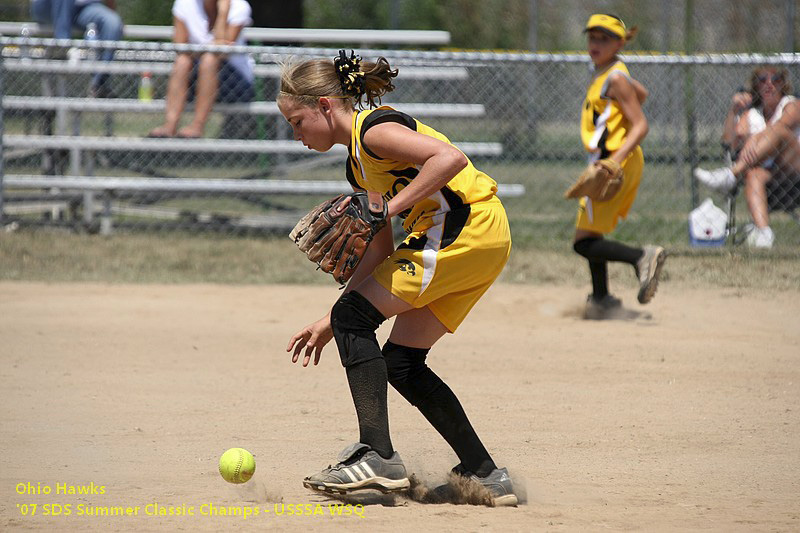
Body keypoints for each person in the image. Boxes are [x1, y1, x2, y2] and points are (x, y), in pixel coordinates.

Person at [280, 50, 517, 506]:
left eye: (297, 121)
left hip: (460, 227)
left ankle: (378, 456)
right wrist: (333, 319)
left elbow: (448, 159)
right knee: (401, 362)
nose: (296, 135)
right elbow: (381, 251)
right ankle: (485, 473)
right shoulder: (357, 163)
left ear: (326, 106)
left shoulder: (373, 131)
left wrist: (390, 206)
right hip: (477, 235)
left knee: (357, 318)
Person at [572, 14, 666, 320]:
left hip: (617, 160)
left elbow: (640, 126)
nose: (596, 44)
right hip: (611, 160)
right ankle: (601, 299)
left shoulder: (615, 77)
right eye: (592, 37)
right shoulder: (609, 73)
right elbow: (642, 94)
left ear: (620, 42)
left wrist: (613, 160)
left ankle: (642, 257)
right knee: (590, 233)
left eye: (605, 38)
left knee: (583, 242)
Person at [694, 67, 800, 248]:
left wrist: (755, 138)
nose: (769, 84)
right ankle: (764, 235)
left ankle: (731, 175)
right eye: (762, 79)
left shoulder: (791, 104)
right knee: (753, 174)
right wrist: (734, 111)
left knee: (780, 132)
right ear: (755, 86)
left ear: (783, 83)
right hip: (770, 181)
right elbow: (729, 143)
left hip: (794, 171)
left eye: (775, 79)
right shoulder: (752, 115)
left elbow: (782, 125)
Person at [148, 0, 254, 139]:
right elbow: (180, 46)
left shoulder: (239, 6)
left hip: (236, 82)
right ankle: (170, 126)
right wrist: (210, 48)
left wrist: (223, 13)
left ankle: (197, 127)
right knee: (182, 62)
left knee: (209, 60)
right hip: (197, 74)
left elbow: (222, 52)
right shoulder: (184, 3)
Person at [30, 0, 123, 97]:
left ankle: (99, 83)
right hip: (47, 7)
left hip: (84, 8)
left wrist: (111, 10)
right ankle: (63, 47)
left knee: (113, 22)